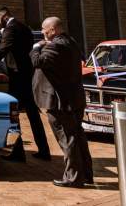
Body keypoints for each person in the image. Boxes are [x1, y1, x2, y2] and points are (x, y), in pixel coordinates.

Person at [0, 7, 51, 162]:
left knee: (13, 115)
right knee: (33, 115)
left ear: (4, 16)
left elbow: (1, 51)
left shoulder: (10, 29)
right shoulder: (24, 27)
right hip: (26, 75)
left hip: (17, 77)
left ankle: (18, 153)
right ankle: (44, 150)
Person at [30, 16, 93, 188]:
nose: (42, 32)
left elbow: (37, 62)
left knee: (67, 137)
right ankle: (86, 174)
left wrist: (36, 47)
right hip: (74, 99)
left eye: (44, 29)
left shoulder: (56, 46)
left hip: (60, 102)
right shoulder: (71, 42)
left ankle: (73, 177)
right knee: (78, 137)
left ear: (53, 30)